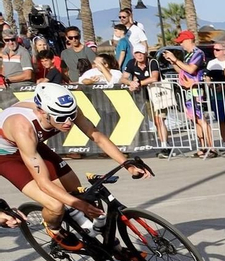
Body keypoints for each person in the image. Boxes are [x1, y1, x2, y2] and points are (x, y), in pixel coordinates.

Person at [0, 82, 150, 249]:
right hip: (7, 158)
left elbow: (97, 137)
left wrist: (127, 164)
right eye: (61, 118)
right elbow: (44, 183)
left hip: (33, 146)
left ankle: (108, 243)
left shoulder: (66, 110)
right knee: (56, 206)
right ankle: (54, 230)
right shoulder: (22, 126)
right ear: (42, 111)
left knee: (78, 192)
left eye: (71, 116)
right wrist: (78, 205)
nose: (68, 122)